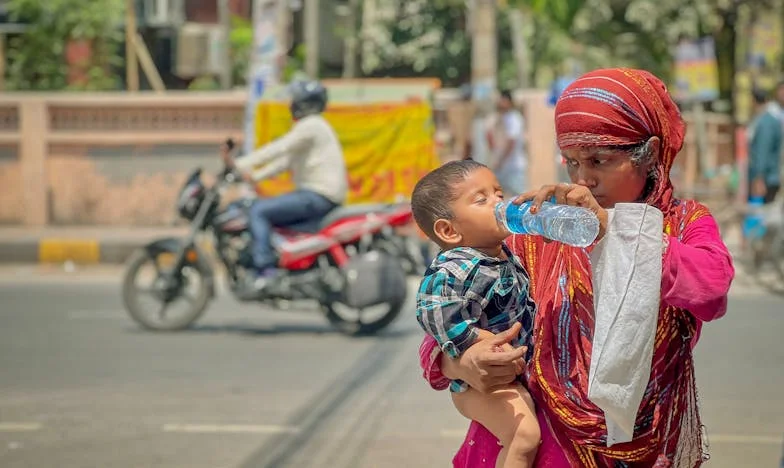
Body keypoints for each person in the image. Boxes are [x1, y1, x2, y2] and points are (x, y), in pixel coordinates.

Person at [418, 68, 735, 467]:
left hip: (643, 447)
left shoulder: (684, 224)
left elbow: (711, 290)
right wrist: (462, 362)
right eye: (571, 162)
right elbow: (447, 322)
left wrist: (612, 232)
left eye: (598, 160)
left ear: (650, 153)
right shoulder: (543, 229)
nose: (584, 178)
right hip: (541, 446)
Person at [411, 160, 540, 468]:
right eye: (482, 200)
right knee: (524, 436)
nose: (498, 203)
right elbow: (430, 308)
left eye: (498, 193)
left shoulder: (502, 252)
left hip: (510, 370)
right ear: (448, 231)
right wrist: (472, 343)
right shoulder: (457, 267)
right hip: (481, 383)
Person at [222, 80, 348, 291]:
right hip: (317, 195)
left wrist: (240, 164)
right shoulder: (314, 128)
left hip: (317, 195)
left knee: (258, 211)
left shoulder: (313, 125)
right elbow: (285, 162)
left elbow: (281, 148)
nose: (291, 104)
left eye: (295, 100)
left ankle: (265, 269)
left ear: (304, 103)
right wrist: (254, 176)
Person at [486, 90, 528, 195]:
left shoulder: (514, 118)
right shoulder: (499, 118)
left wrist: (500, 161)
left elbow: (511, 143)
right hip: (501, 166)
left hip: (513, 166)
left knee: (520, 198)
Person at [748, 85, 783, 204]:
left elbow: (763, 150)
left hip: (765, 179)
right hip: (768, 177)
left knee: (761, 217)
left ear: (753, 101)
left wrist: (759, 178)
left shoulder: (765, 123)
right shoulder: (768, 120)